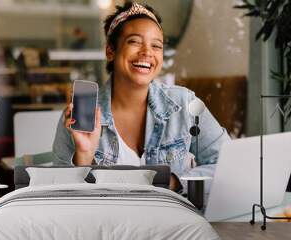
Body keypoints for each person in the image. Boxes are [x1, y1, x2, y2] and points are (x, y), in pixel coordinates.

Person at [52, 1, 230, 191]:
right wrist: (84, 155)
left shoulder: (185, 105)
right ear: (110, 51)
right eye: (134, 41)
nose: (147, 52)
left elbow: (229, 165)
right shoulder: (78, 119)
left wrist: (176, 182)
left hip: (171, 218)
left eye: (156, 46)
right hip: (109, 220)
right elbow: (63, 198)